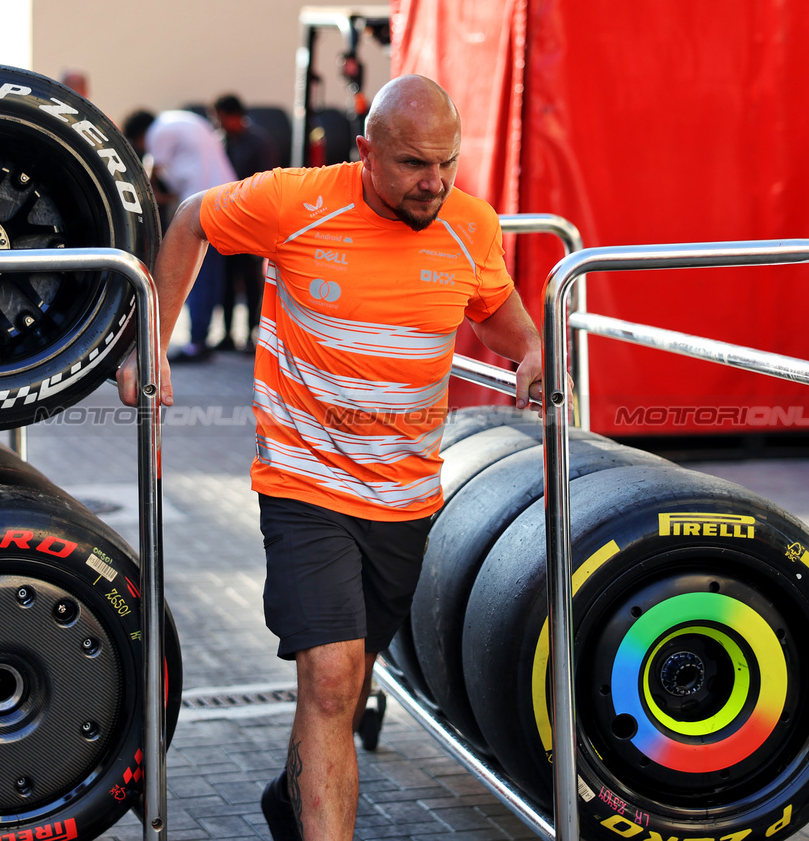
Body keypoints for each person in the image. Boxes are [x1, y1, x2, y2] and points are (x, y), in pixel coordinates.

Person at [118, 75, 543, 840]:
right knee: (329, 676)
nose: (434, 182)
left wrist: (536, 353)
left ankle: (292, 799)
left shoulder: (469, 226)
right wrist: (153, 336)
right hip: (305, 483)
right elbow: (189, 220)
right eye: (414, 163)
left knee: (345, 685)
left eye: (446, 162)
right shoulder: (295, 200)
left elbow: (502, 320)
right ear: (364, 152)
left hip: (407, 497)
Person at [123, 108, 237, 362]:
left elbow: (149, 173)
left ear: (141, 135)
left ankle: (196, 343)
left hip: (202, 204)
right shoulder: (179, 119)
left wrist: (155, 199)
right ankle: (203, 338)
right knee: (213, 273)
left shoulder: (156, 132)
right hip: (226, 196)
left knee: (194, 273)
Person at [212, 93, 280, 352]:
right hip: (228, 221)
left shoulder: (258, 143)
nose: (218, 123)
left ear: (233, 116)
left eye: (220, 117)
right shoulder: (223, 142)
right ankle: (228, 333)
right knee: (228, 279)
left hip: (251, 222)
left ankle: (253, 333)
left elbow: (266, 183)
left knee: (251, 280)